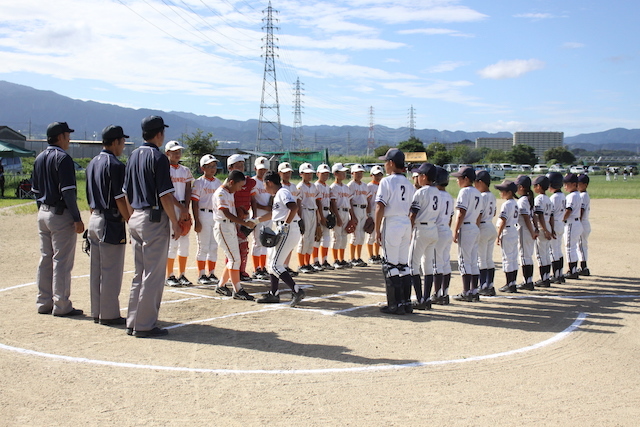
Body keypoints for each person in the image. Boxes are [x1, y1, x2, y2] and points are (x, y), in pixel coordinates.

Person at [123, 115, 180, 338]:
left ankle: (133, 320)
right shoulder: (158, 157)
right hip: (153, 217)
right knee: (153, 275)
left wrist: (130, 219)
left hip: (135, 215)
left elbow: (126, 192)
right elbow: (165, 195)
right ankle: (145, 325)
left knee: (139, 273)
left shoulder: (133, 155)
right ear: (159, 134)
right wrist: (174, 221)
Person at [32, 121, 85, 317]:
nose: (69, 138)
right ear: (60, 137)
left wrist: (42, 210)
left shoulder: (39, 157)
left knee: (46, 258)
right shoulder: (63, 158)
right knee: (61, 261)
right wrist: (77, 218)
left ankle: (43, 301)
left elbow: (36, 190)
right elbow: (68, 192)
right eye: (67, 135)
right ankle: (61, 304)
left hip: (43, 212)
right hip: (59, 213)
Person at [86, 124, 131, 325]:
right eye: (122, 142)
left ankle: (97, 311)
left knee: (96, 270)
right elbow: (120, 198)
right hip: (110, 219)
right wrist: (129, 219)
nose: (123, 146)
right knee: (111, 270)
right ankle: (110, 313)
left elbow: (88, 196)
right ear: (114, 142)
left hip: (94, 216)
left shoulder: (92, 163)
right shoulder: (116, 165)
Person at [375, 148, 415, 314]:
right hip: (406, 222)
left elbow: (380, 206)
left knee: (390, 264)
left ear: (391, 163)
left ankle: (394, 304)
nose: (385, 165)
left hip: (392, 222)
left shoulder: (386, 181)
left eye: (386, 161)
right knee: (403, 264)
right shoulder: (409, 183)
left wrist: (377, 230)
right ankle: (406, 302)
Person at [257, 170, 306, 306]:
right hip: (284, 228)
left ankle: (296, 291)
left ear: (269, 182)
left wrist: (285, 225)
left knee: (275, 265)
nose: (264, 187)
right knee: (271, 262)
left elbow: (293, 207)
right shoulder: (278, 194)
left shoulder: (282, 192)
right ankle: (274, 293)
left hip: (287, 230)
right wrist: (255, 221)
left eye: (265, 185)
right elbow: (275, 214)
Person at [212, 170, 256, 300]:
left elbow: (232, 212)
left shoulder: (229, 192)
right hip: (223, 226)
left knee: (233, 258)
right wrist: (244, 223)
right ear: (231, 182)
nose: (239, 189)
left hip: (229, 226)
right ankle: (238, 290)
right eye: (238, 186)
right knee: (234, 259)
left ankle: (221, 285)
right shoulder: (221, 193)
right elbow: (226, 213)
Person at [407, 162, 440, 310]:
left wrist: (408, 231)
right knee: (427, 266)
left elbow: (413, 214)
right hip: (433, 228)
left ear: (425, 176)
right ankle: (427, 299)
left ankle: (420, 299)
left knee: (412, 265)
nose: (418, 177)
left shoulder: (420, 192)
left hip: (421, 229)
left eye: (420, 175)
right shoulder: (437, 192)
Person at [164, 140, 194, 287]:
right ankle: (169, 275)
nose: (177, 154)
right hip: (170, 206)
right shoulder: (164, 170)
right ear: (167, 153)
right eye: (174, 151)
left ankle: (182, 274)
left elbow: (188, 189)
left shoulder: (185, 170)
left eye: (179, 151)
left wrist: (186, 208)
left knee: (184, 242)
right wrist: (181, 207)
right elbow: (167, 193)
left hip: (183, 206)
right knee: (172, 241)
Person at [451, 166, 482, 302]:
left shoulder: (464, 192)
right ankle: (474, 291)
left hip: (466, 227)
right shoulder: (478, 192)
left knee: (464, 261)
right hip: (474, 226)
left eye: (459, 178)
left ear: (466, 179)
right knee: (473, 261)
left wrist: (456, 230)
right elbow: (480, 214)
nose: (457, 181)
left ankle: (466, 291)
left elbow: (461, 213)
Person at [191, 154, 222, 285]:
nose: (212, 169)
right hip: (203, 214)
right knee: (203, 246)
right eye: (209, 166)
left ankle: (212, 273)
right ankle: (201, 274)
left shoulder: (218, 183)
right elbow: (195, 202)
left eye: (214, 166)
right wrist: (197, 220)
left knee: (214, 246)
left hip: (215, 215)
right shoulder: (199, 182)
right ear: (202, 167)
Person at [227, 154, 256, 281]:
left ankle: (242, 271)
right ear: (230, 167)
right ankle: (231, 271)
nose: (241, 167)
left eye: (242, 165)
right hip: (233, 217)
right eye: (237, 165)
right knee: (232, 246)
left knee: (243, 245)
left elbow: (253, 199)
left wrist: (253, 215)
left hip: (244, 217)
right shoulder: (228, 184)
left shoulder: (249, 182)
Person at [432, 166, 454, 304]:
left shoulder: (436, 195)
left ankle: (437, 294)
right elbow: (451, 217)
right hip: (446, 229)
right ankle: (445, 294)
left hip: (437, 230)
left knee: (436, 264)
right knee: (445, 263)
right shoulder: (450, 196)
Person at [474, 170, 498, 296]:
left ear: (481, 182)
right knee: (488, 258)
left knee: (481, 259)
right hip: (490, 225)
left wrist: (476, 229)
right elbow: (494, 212)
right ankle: (490, 285)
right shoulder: (492, 195)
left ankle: (482, 285)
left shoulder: (481, 196)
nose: (474, 185)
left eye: (476, 182)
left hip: (482, 227)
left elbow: (479, 214)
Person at [495, 180, 520, 293]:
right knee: (513, 258)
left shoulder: (507, 204)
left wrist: (498, 235)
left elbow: (503, 221)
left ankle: (509, 284)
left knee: (507, 259)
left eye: (502, 190)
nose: (500, 193)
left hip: (507, 231)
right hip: (514, 230)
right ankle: (513, 283)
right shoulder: (515, 203)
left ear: (509, 192)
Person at [250, 156, 272, 280]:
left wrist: (271, 206)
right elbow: (252, 200)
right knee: (257, 242)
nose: (262, 172)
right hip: (258, 214)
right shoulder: (253, 182)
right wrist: (265, 207)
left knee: (266, 241)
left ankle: (263, 267)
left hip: (269, 216)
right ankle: (256, 268)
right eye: (260, 169)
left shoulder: (269, 182)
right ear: (255, 169)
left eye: (265, 170)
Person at [515, 175, 538, 291]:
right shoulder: (529, 199)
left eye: (517, 186)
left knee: (524, 256)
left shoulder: (523, 200)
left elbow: (526, 218)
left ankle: (527, 281)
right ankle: (529, 281)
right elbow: (533, 216)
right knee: (528, 256)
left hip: (525, 230)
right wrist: (535, 229)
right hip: (529, 230)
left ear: (522, 187)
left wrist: (532, 231)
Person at [330, 162, 355, 269]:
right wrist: (337, 217)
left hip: (346, 212)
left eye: (345, 172)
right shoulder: (333, 187)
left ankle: (341, 259)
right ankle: (335, 260)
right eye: (341, 172)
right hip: (338, 212)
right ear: (335, 173)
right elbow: (333, 203)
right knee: (337, 237)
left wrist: (352, 217)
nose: (344, 174)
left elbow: (349, 203)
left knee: (344, 237)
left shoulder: (346, 187)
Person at [297, 162, 321, 273]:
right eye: (306, 173)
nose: (309, 175)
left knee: (311, 238)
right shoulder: (300, 186)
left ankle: (307, 263)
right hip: (305, 211)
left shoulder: (314, 186)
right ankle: (301, 264)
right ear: (301, 174)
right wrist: (300, 218)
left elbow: (316, 202)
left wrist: (318, 219)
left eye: (310, 173)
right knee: (304, 238)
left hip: (313, 212)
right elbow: (299, 203)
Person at [278, 162, 300, 277]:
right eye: (285, 173)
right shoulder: (279, 187)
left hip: (294, 218)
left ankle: (286, 266)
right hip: (283, 218)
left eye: (289, 172)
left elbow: (297, 202)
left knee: (290, 244)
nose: (287, 175)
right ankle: (280, 266)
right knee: (282, 244)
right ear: (279, 173)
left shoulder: (293, 186)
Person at [532, 175, 553, 288]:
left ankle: (543, 279)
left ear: (539, 186)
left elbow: (539, 215)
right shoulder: (548, 199)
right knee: (546, 254)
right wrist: (551, 229)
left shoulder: (539, 199)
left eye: (535, 186)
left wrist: (544, 230)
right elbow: (551, 216)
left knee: (540, 255)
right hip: (548, 226)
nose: (534, 188)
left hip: (542, 227)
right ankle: (546, 278)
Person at [347, 164, 370, 267]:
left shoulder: (365, 185)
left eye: (361, 172)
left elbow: (368, 200)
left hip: (363, 210)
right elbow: (350, 201)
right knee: (355, 235)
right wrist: (352, 216)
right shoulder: (350, 185)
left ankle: (358, 257)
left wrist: (368, 214)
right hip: (355, 209)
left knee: (361, 235)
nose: (359, 174)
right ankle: (352, 258)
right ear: (352, 173)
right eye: (357, 172)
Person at [313, 163, 334, 271]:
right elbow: (317, 203)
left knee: (326, 238)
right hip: (318, 213)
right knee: (317, 237)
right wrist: (320, 216)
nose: (325, 176)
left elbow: (329, 202)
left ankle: (324, 260)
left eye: (327, 174)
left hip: (326, 213)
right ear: (317, 174)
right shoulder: (316, 186)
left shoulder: (327, 187)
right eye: (323, 174)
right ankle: (315, 261)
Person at [563, 173, 583, 279]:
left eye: (567, 184)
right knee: (573, 247)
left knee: (569, 247)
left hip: (571, 223)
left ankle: (572, 271)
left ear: (574, 184)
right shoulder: (577, 195)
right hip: (576, 223)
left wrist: (562, 219)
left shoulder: (572, 196)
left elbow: (568, 210)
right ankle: (573, 270)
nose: (565, 186)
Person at [547, 172, 566, 284]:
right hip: (561, 223)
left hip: (555, 224)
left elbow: (551, 214)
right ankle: (560, 274)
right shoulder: (562, 195)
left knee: (553, 250)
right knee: (558, 250)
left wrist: (551, 229)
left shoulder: (554, 197)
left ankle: (556, 275)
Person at [366, 165, 384, 264]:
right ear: (371, 175)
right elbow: (368, 201)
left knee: (378, 234)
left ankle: (377, 255)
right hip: (372, 211)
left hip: (381, 212)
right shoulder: (369, 186)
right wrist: (368, 214)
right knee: (371, 234)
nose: (378, 177)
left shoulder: (382, 185)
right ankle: (370, 255)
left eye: (380, 175)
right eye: (376, 175)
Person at [577, 174, 591, 276]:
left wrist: (578, 222)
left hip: (582, 223)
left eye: (579, 183)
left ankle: (583, 267)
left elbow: (581, 210)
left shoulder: (582, 196)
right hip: (585, 223)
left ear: (585, 185)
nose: (577, 185)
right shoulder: (584, 195)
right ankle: (583, 266)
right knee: (582, 245)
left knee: (581, 246)